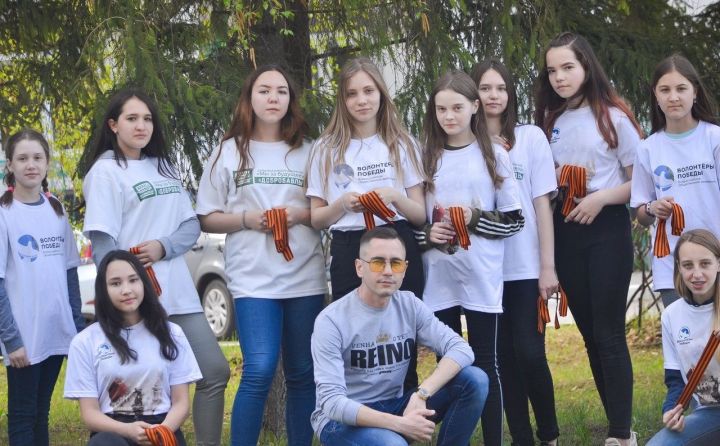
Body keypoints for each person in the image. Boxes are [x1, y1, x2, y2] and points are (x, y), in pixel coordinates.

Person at [80, 88, 230, 446]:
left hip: (178, 292)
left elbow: (190, 225)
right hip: (134, 297)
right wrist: (118, 294)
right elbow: (103, 245)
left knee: (214, 371)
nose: (141, 126)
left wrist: (163, 246)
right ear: (113, 125)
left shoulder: (164, 166)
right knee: (138, 383)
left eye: (147, 119)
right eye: (131, 118)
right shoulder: (104, 173)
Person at [196, 65, 327, 446]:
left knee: (302, 372)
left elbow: (326, 211)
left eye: (281, 91)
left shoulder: (309, 150)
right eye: (264, 90)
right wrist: (246, 220)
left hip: (304, 275)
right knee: (259, 369)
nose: (273, 98)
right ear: (249, 98)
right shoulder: (227, 151)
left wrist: (298, 215)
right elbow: (206, 215)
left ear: (291, 100)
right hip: (253, 279)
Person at [534, 32, 644, 446]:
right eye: (552, 70)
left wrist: (600, 198)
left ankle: (620, 434)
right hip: (566, 231)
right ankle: (618, 422)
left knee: (609, 333)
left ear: (586, 67)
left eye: (568, 67)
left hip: (607, 229)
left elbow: (640, 183)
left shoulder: (614, 117)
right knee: (590, 336)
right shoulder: (550, 121)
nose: (560, 77)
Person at [416, 69, 524, 446]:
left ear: (475, 107)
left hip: (481, 276)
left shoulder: (493, 154)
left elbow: (514, 220)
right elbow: (412, 224)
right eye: (441, 109)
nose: (449, 116)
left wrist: (474, 218)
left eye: (457, 108)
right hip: (439, 277)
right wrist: (427, 235)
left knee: (485, 363)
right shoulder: (425, 157)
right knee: (447, 366)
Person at [311, 227, 488, 446]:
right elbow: (332, 403)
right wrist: (400, 424)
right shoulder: (332, 320)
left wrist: (422, 394)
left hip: (394, 404)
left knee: (475, 380)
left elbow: (461, 349)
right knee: (393, 443)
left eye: (395, 263)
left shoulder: (409, 305)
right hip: (341, 421)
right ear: (359, 267)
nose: (387, 271)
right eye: (378, 262)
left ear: (405, 269)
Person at [471, 58, 560, 446]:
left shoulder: (531, 137)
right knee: (503, 359)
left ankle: (549, 435)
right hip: (485, 271)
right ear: (472, 95)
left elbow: (542, 204)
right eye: (485, 88)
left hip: (525, 267)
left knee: (530, 353)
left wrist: (547, 266)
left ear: (510, 94)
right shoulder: (466, 145)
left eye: (501, 88)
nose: (493, 96)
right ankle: (522, 438)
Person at [306, 57, 426, 302]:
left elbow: (420, 215)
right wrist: (342, 205)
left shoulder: (403, 143)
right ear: (342, 100)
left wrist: (394, 197)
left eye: (369, 91)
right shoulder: (325, 148)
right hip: (349, 245)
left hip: (396, 240)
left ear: (381, 93)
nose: (361, 100)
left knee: (404, 320)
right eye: (352, 94)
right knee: (353, 322)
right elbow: (316, 219)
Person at [64, 250, 202, 445]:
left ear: (144, 282)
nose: (126, 290)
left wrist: (160, 432)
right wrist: (127, 431)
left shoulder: (172, 333)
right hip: (113, 432)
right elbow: (90, 413)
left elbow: (181, 403)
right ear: (103, 290)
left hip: (163, 429)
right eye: (116, 283)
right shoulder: (85, 341)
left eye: (133, 280)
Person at [0, 129, 84, 445]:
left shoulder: (56, 208)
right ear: (10, 165)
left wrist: (76, 330)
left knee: (41, 412)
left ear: (47, 163)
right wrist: (11, 339)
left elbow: (70, 273)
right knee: (22, 416)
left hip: (56, 332)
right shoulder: (4, 213)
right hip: (23, 337)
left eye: (37, 157)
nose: (31, 164)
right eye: (22, 158)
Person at [631, 54, 720, 308]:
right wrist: (652, 208)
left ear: (695, 93)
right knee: (683, 333)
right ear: (656, 96)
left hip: (715, 261)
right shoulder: (647, 149)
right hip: (673, 267)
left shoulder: (714, 138)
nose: (673, 97)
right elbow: (640, 212)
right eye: (665, 90)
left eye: (681, 89)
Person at [647, 229, 720, 445]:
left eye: (705, 264)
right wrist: (671, 410)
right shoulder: (671, 315)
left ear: (718, 264)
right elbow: (675, 378)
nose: (697, 274)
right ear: (679, 267)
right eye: (688, 265)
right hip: (709, 412)